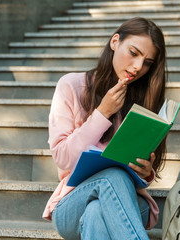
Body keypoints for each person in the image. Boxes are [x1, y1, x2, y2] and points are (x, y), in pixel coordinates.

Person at [42, 17, 167, 240]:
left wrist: (146, 171)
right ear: (115, 41)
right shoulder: (70, 86)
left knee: (95, 213)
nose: (138, 67)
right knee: (111, 176)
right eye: (134, 53)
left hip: (130, 202)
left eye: (148, 62)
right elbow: (63, 158)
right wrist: (102, 113)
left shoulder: (143, 98)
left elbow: (140, 164)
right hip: (72, 203)